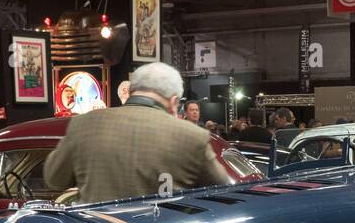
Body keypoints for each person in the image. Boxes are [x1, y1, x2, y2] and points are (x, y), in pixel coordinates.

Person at [43, 61, 231, 204]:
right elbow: (225, 192)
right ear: (174, 102)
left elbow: (54, 178)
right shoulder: (192, 136)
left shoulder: (83, 124)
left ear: (131, 90)